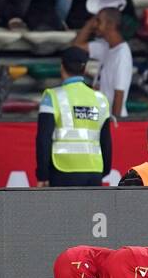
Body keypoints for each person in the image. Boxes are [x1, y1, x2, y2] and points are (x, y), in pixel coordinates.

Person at [35, 46, 113, 187]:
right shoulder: (100, 99)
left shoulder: (52, 96)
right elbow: (106, 140)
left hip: (63, 169)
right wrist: (104, 170)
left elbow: (43, 138)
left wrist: (42, 174)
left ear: (62, 67)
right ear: (84, 69)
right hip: (94, 170)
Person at [71, 5, 133, 118]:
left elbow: (119, 94)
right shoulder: (105, 46)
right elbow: (75, 47)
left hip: (111, 118)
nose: (95, 25)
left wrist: (115, 125)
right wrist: (90, 23)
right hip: (100, 115)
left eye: (98, 21)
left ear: (110, 25)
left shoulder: (122, 53)